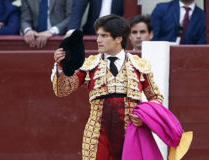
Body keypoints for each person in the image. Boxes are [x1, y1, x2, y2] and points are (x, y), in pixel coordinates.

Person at [51, 15, 164, 159]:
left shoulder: (139, 66)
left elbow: (156, 97)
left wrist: (145, 117)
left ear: (118, 38)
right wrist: (61, 68)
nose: (98, 40)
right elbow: (62, 90)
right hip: (97, 134)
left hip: (130, 132)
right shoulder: (89, 65)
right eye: (98, 35)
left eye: (104, 36)